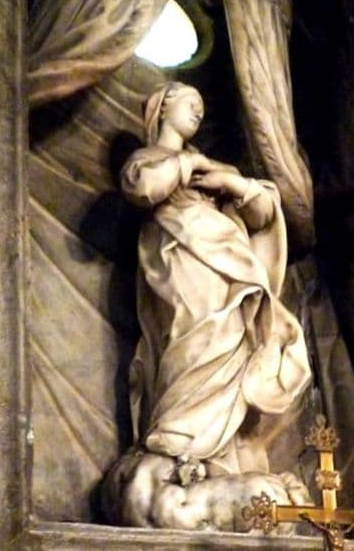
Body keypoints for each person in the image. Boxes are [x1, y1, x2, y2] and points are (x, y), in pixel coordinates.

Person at [121, 81, 311, 478]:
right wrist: (186, 166)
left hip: (227, 265)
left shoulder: (213, 170)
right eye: (190, 102)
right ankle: (178, 437)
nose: (198, 111)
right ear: (163, 107)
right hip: (179, 259)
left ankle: (218, 454)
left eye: (202, 107)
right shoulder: (148, 160)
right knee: (191, 337)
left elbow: (261, 215)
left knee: (231, 338)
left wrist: (232, 184)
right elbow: (141, 187)